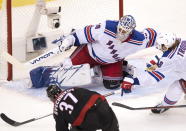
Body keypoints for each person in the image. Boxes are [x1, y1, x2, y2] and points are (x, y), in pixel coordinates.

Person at [30, 15, 158, 89]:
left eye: (125, 31)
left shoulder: (138, 40)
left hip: (111, 62)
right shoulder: (106, 27)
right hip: (89, 54)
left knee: (112, 85)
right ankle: (40, 75)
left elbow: (153, 36)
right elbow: (83, 33)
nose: (120, 33)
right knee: (67, 70)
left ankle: (120, 68)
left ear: (131, 31)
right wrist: (69, 40)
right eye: (120, 29)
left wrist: (171, 43)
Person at [120, 32, 186, 114]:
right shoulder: (182, 41)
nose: (160, 48)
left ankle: (164, 105)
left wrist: (134, 81)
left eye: (162, 46)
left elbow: (152, 77)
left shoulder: (170, 59)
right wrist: (156, 65)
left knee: (177, 87)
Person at [46, 84, 120, 131]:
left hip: (87, 119)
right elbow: (90, 93)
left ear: (52, 98)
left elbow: (61, 129)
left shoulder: (56, 108)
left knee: (75, 127)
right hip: (101, 105)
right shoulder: (74, 88)